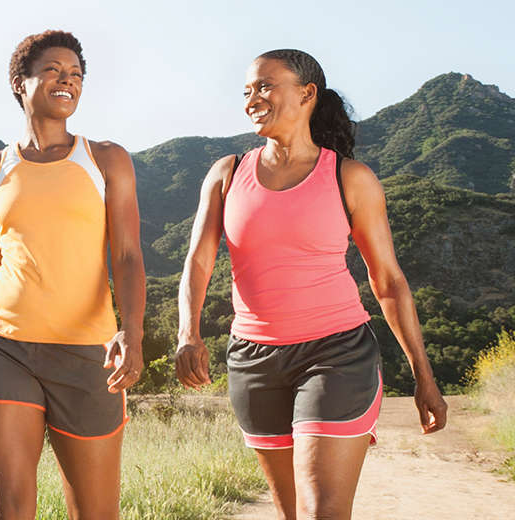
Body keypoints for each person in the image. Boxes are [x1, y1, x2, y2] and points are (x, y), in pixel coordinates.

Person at [174, 49, 448, 520]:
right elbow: (198, 262)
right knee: (292, 513)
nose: (252, 99)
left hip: (337, 354)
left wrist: (424, 375)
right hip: (253, 361)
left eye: (265, 86)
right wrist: (187, 332)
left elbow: (388, 281)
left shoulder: (350, 178)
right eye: (246, 91)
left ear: (307, 94)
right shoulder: (228, 172)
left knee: (323, 511)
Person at [0, 30, 146, 520]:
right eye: (52, 71)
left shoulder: (107, 160)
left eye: (76, 75)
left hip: (89, 353)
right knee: (7, 507)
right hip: (4, 347)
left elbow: (127, 254)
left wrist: (132, 330)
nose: (67, 81)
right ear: (21, 83)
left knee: (95, 512)